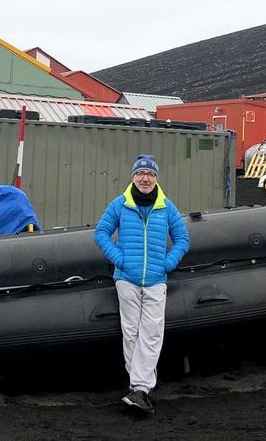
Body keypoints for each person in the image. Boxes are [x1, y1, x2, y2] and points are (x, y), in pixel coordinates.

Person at [94, 153, 190, 415]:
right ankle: (140, 388)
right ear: (133, 177)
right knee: (132, 333)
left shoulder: (166, 207)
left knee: (152, 333)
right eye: (140, 173)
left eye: (150, 174)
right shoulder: (120, 204)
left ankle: (139, 389)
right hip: (127, 279)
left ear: (156, 178)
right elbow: (101, 232)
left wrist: (167, 263)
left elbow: (183, 239)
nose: (145, 178)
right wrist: (119, 259)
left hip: (156, 280)